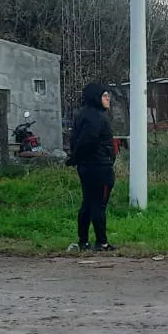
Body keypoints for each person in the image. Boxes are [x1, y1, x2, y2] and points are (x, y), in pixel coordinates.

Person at [66, 83, 116, 252]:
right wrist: (76, 157)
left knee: (88, 203)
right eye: (104, 95)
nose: (108, 99)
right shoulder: (97, 117)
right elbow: (87, 141)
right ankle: (101, 242)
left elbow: (75, 140)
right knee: (98, 205)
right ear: (96, 97)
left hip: (86, 167)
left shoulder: (82, 115)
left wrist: (75, 158)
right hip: (99, 167)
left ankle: (83, 241)